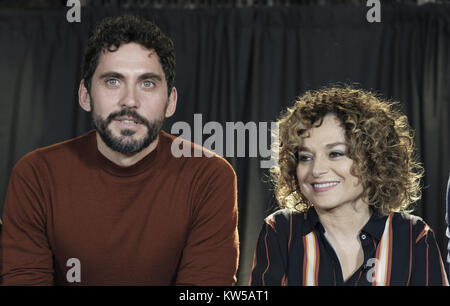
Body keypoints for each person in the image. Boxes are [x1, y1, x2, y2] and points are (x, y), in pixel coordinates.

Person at [0, 15, 239, 285]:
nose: (130, 100)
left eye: (147, 83)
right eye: (113, 81)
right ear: (85, 95)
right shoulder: (36, 175)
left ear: (170, 102)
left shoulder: (209, 176)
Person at [250, 86, 448, 286]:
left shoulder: (413, 236)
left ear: (374, 159)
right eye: (305, 157)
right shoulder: (281, 231)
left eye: (335, 153)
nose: (316, 170)